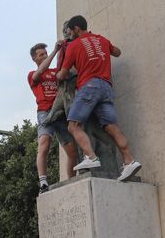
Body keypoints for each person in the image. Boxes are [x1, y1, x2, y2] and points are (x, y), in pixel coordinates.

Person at [57, 15, 142, 182]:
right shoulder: (101, 39)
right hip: (106, 87)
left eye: (69, 31)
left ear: (76, 29)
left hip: (89, 87)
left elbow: (63, 73)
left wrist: (59, 74)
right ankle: (129, 160)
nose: (69, 34)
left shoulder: (74, 45)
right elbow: (117, 52)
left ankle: (91, 156)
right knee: (111, 127)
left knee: (73, 126)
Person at [29, 41, 78, 193]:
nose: (44, 56)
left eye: (45, 53)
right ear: (34, 59)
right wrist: (55, 51)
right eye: (41, 54)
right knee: (44, 144)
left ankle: (72, 180)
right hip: (45, 113)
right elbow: (40, 71)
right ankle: (43, 182)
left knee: (72, 152)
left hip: (60, 113)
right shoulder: (32, 75)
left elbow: (66, 70)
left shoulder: (54, 72)